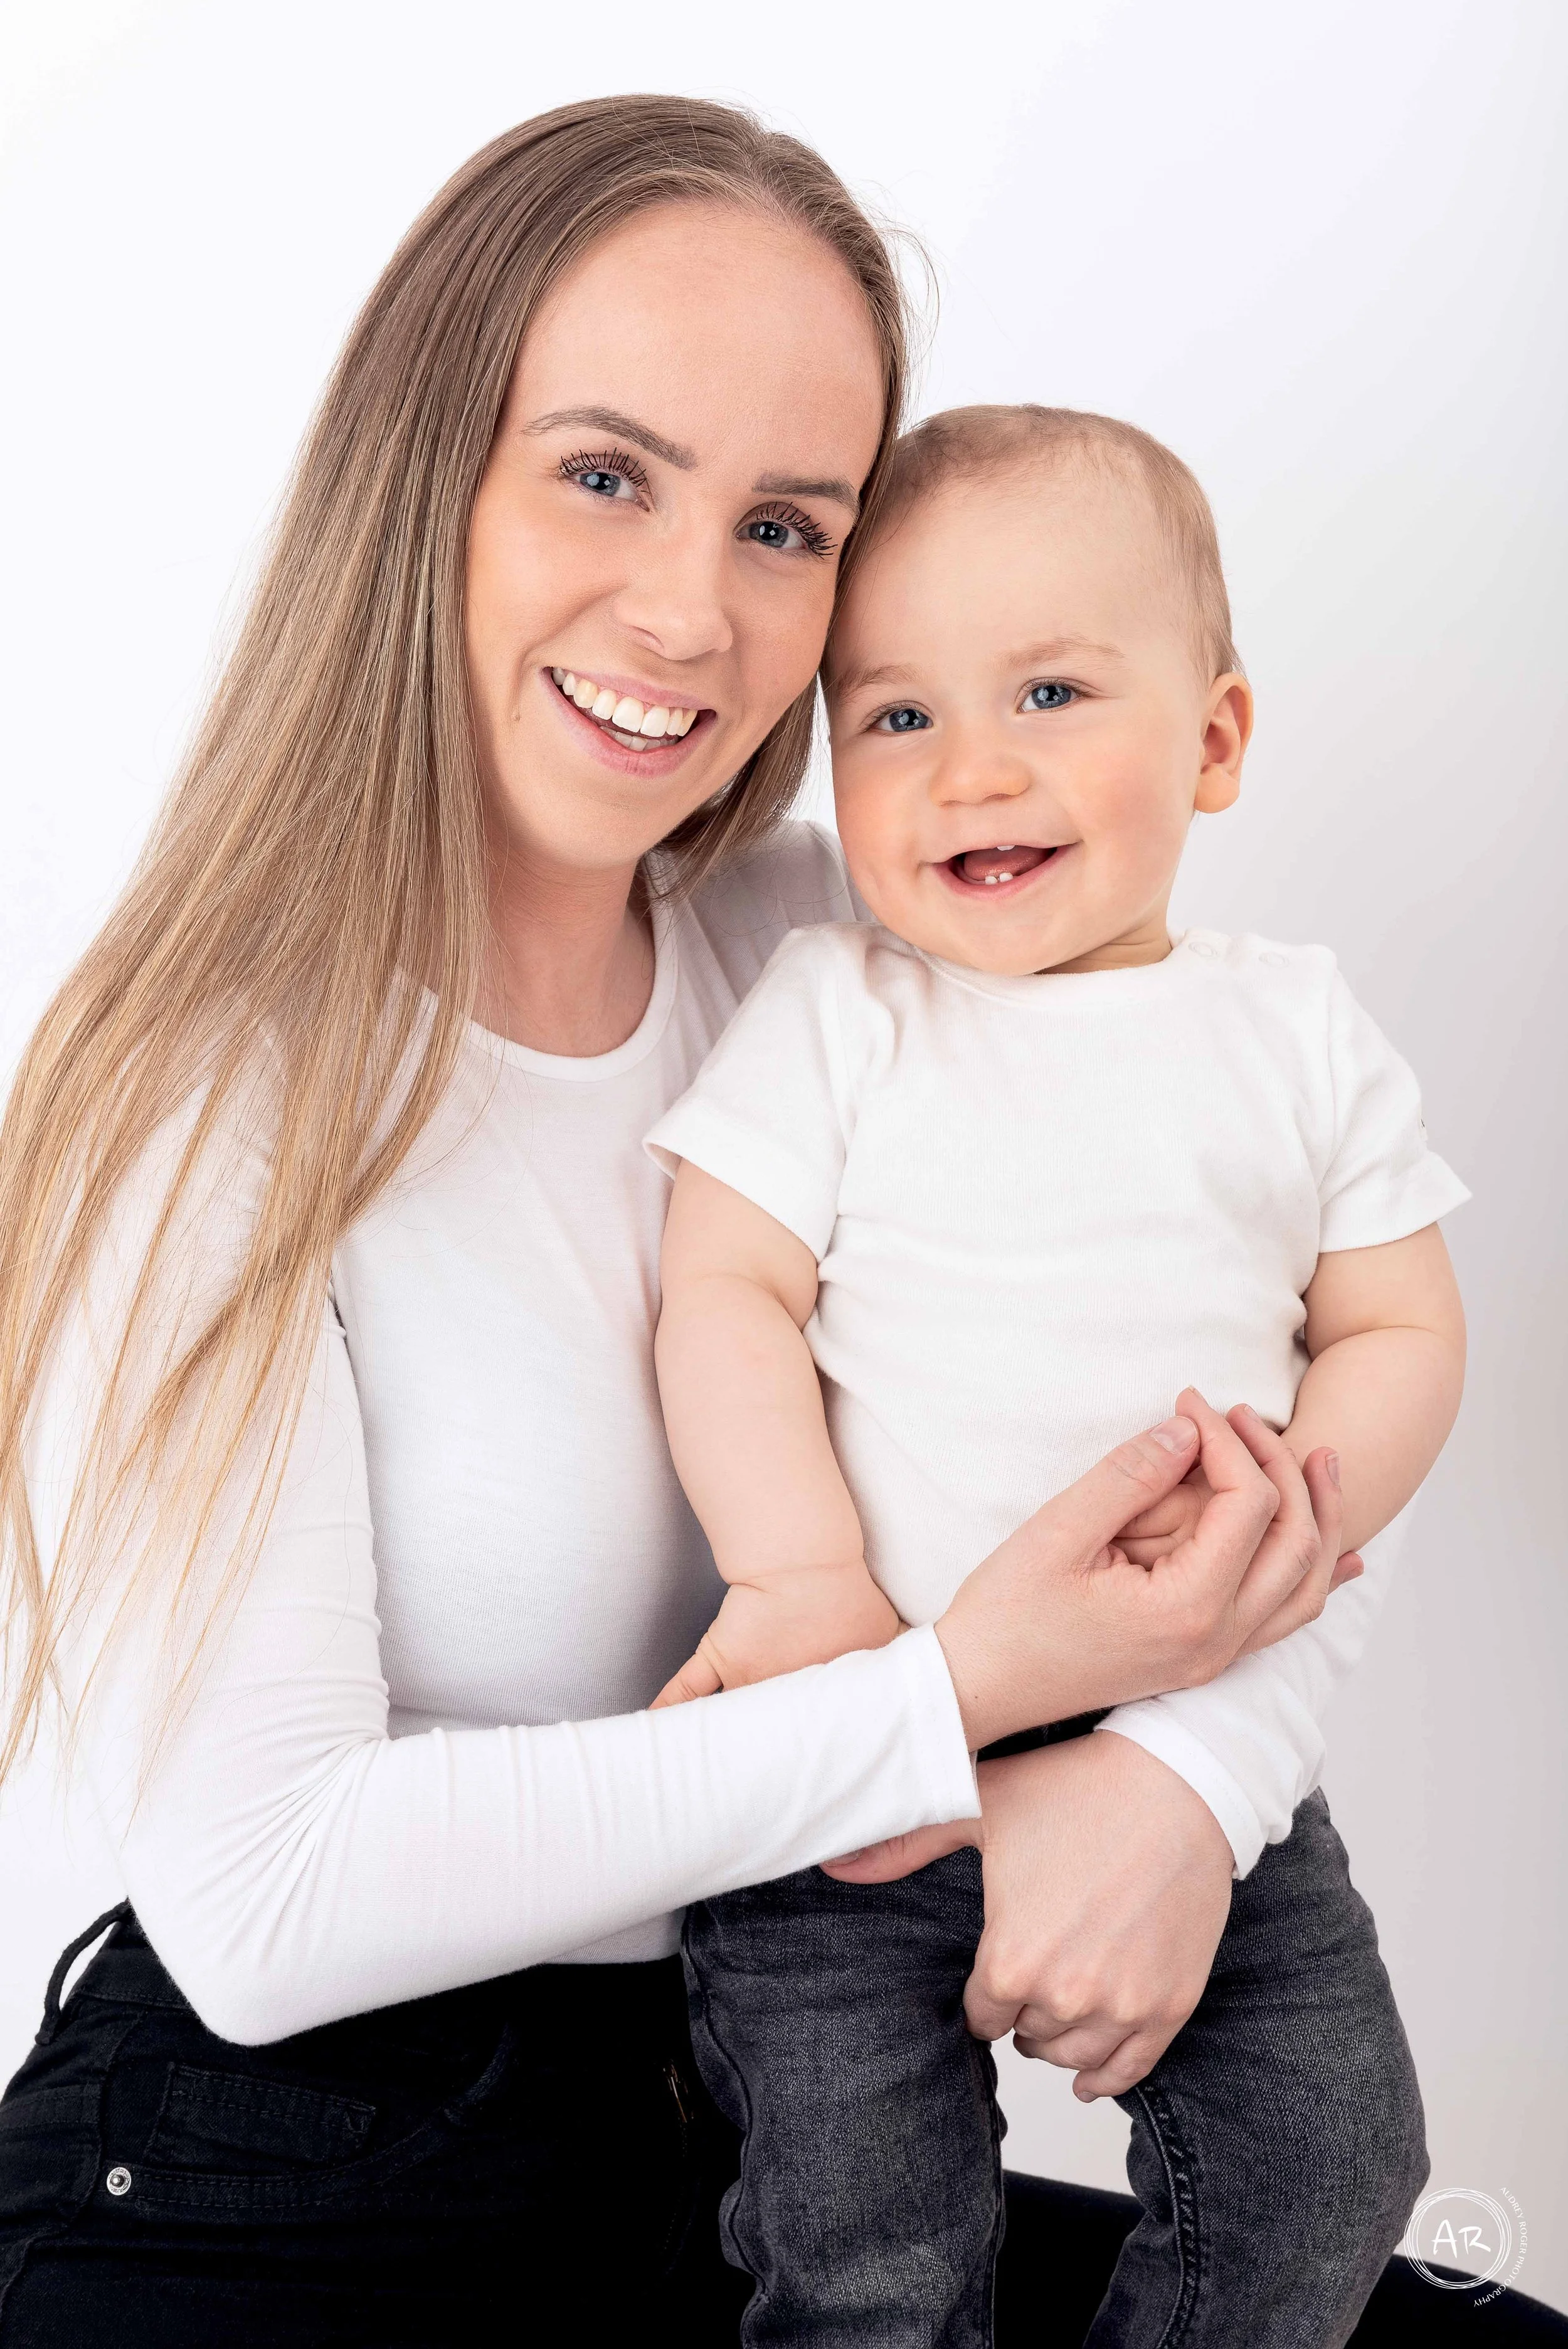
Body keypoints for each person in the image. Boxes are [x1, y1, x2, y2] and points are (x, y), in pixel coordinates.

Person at [0, 109, 1355, 2345]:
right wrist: (961, 1702)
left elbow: (1272, 1373)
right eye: (606, 474)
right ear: (424, 477)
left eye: (785, 525)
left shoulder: (844, 957)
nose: (689, 611)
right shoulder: (206, 1079)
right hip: (275, 2196)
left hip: (744, 2137)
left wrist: (1190, 1777)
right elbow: (258, 1903)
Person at [647, 403, 1470, 2346]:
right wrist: (795, 1577)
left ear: (1214, 740)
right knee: (871, 2255)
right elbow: (723, 1292)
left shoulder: (1292, 1029)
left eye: (1048, 692)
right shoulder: (837, 1011)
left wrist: (1282, 1528)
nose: (972, 767)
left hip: (1184, 1735)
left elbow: (1399, 1327)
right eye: (897, 716)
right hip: (859, 1747)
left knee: (1330, 2154)